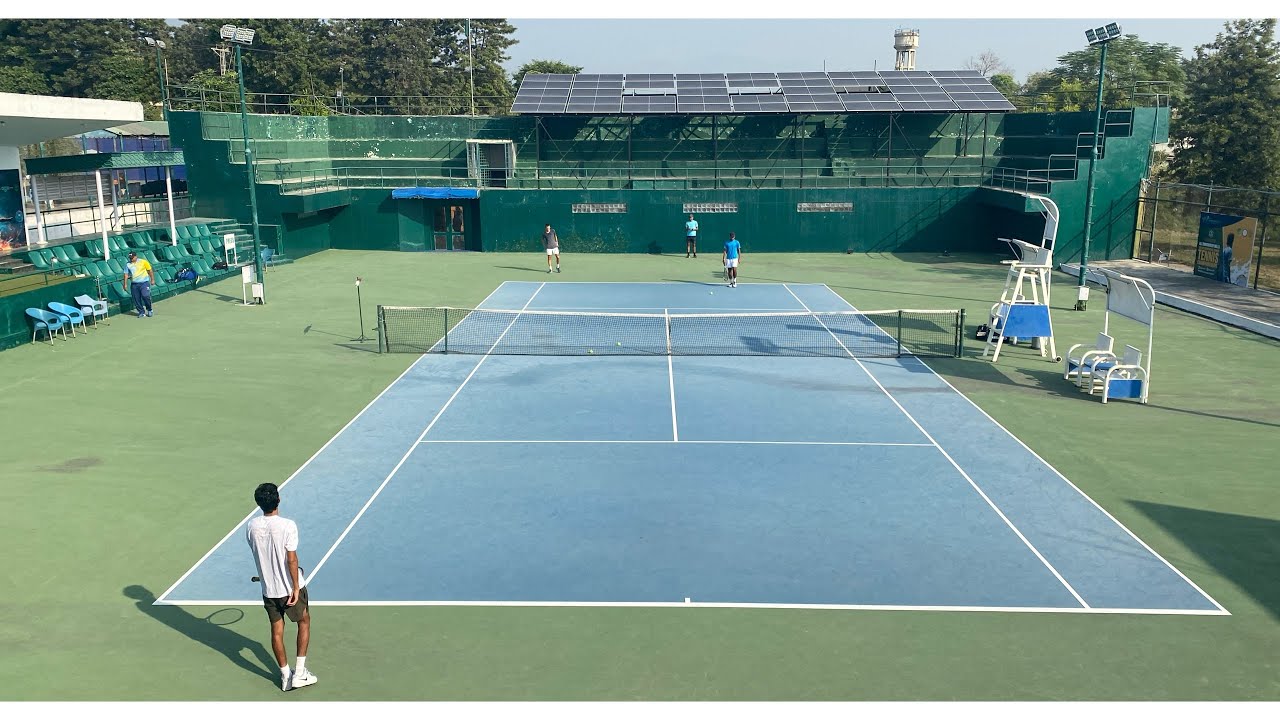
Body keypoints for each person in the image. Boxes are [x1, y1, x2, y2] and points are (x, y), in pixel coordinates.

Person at [247, 482, 318, 692]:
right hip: (289, 589)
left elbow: (261, 554)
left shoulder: (251, 526)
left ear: (258, 503)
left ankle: (286, 676)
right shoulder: (288, 525)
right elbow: (291, 560)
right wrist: (295, 587)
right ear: (278, 500)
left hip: (269, 590)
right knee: (304, 621)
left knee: (276, 630)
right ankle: (300, 674)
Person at [121, 251, 155, 318]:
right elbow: (126, 274)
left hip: (144, 283)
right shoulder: (127, 264)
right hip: (134, 284)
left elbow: (150, 270)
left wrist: (152, 279)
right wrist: (125, 284)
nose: (131, 259)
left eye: (132, 257)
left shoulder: (143, 262)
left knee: (145, 296)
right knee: (136, 299)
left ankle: (149, 309)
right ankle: (141, 312)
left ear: (136, 256)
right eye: (130, 258)